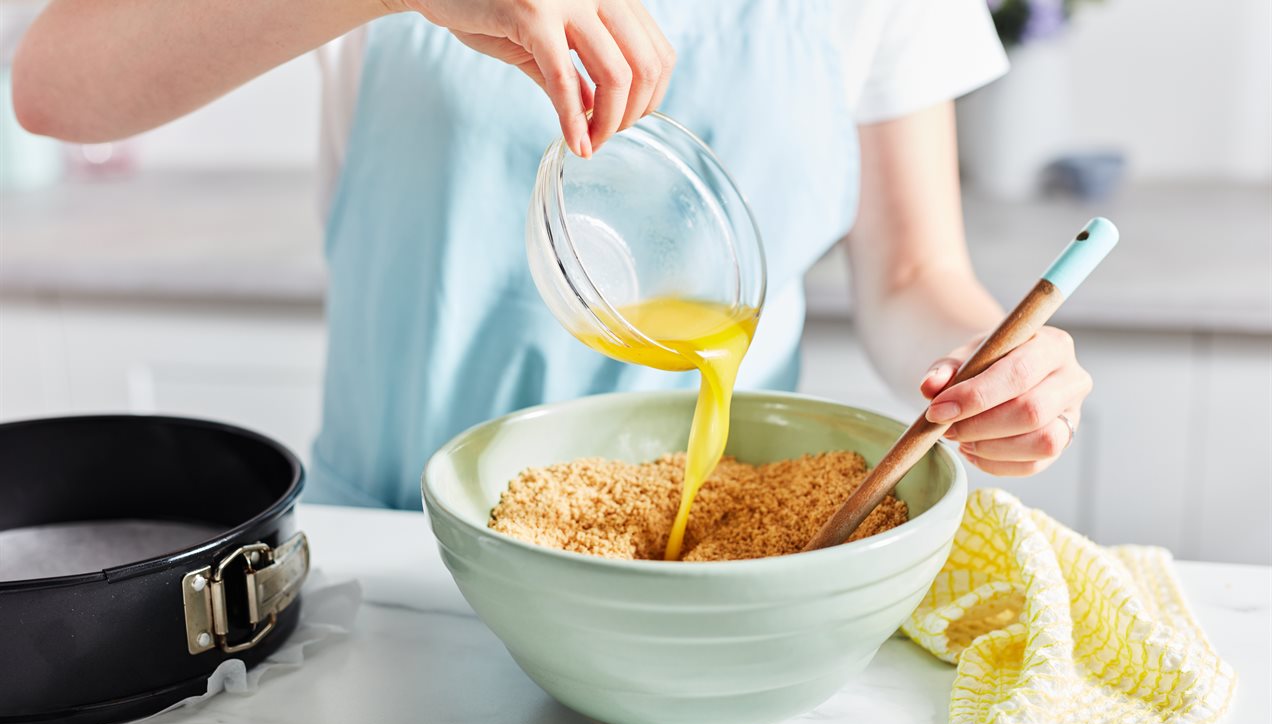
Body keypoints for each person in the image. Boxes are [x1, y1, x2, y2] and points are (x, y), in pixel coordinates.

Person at [14, 0, 1094, 510]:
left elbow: (912, 276)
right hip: (399, 557)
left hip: (702, 574)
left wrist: (987, 359)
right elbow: (58, 84)